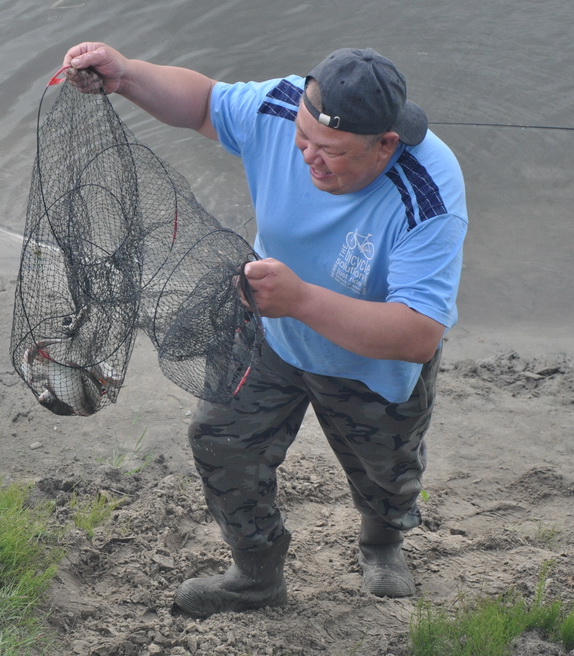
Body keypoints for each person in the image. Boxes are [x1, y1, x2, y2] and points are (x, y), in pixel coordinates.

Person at [61, 42, 468, 618]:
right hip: (269, 331)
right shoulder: (281, 109)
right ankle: (256, 577)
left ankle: (382, 543)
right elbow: (202, 104)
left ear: (386, 145)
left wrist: (300, 299)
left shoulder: (429, 194)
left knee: (386, 477)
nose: (308, 158)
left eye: (330, 152)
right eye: (303, 140)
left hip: (370, 363)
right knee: (220, 441)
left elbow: (418, 333)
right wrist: (126, 75)